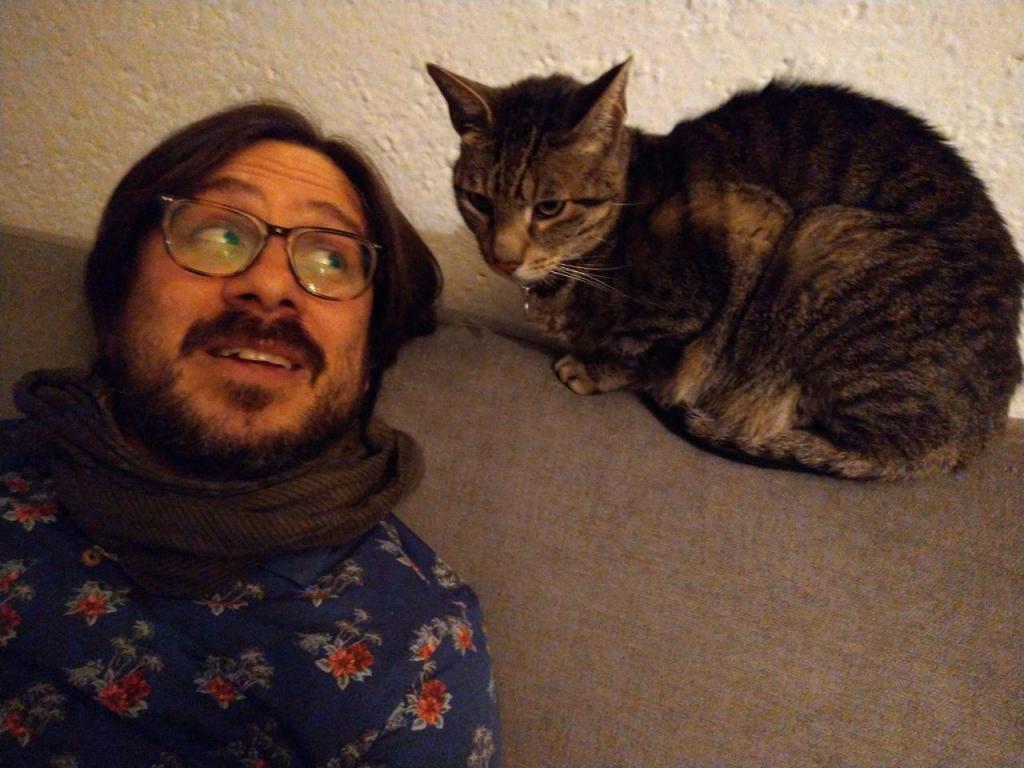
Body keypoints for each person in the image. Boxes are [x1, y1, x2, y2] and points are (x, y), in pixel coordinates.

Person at [0, 103, 500, 767]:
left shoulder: (418, 657)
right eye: (217, 234)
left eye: (330, 257)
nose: (269, 285)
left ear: (366, 365)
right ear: (114, 309)